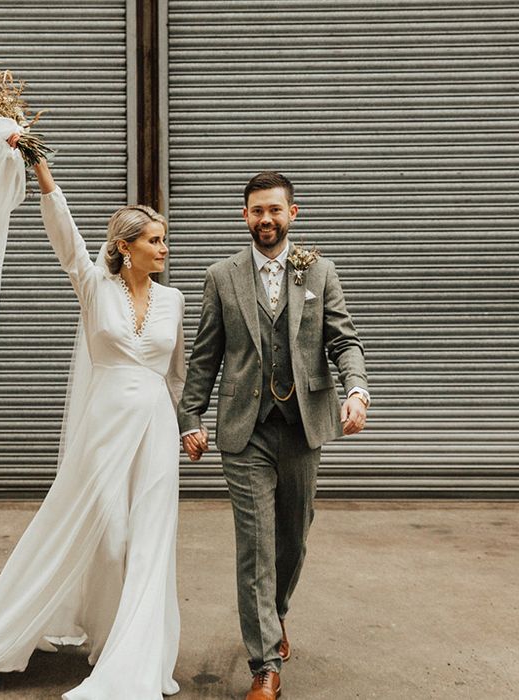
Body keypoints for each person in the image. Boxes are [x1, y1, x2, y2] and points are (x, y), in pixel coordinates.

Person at [0, 136, 186, 700]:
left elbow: (176, 373)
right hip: (104, 427)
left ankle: (137, 656)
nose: (164, 249)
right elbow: (64, 238)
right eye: (155, 240)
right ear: (125, 246)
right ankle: (65, 631)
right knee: (113, 539)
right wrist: (40, 168)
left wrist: (187, 422)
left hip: (158, 431)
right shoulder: (94, 287)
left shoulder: (174, 302)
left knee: (151, 542)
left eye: (164, 240)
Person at [177, 171, 369, 700]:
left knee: (293, 539)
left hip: (303, 428)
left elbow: (343, 340)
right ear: (245, 216)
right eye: (257, 211)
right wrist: (190, 419)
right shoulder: (221, 276)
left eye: (275, 211)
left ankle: (276, 613)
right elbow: (205, 355)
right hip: (245, 430)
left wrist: (357, 390)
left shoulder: (319, 270)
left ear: (293, 214)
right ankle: (263, 663)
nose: (266, 219)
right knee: (255, 546)